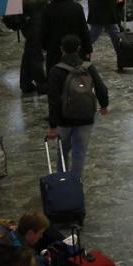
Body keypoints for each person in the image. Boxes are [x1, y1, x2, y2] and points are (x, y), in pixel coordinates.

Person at [45, 34, 109, 178]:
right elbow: (101, 88)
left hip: (64, 119)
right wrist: (104, 105)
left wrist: (52, 126)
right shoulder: (88, 67)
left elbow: (53, 100)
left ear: (62, 49)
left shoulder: (56, 71)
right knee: (79, 152)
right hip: (86, 118)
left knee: (63, 151)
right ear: (79, 48)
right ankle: (76, 182)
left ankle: (63, 181)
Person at [39, 0, 91, 72]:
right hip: (75, 49)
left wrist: (46, 47)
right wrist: (88, 49)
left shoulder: (47, 10)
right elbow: (84, 29)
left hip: (55, 50)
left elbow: (43, 32)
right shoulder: (76, 7)